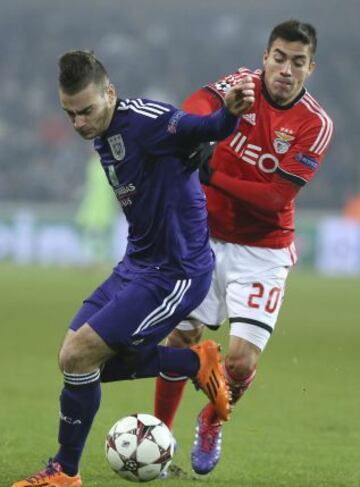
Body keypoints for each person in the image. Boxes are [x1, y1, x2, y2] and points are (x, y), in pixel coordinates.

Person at [11, 50, 256, 487]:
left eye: (86, 110)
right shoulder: (103, 134)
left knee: (78, 356)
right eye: (70, 115)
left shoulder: (147, 120)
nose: (79, 124)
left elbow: (202, 128)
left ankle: (65, 471)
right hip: (137, 265)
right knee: (76, 364)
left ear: (110, 93)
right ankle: (192, 362)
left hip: (176, 273)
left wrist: (230, 114)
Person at [154, 19, 334, 475]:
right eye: (279, 58)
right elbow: (199, 101)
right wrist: (195, 127)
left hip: (263, 249)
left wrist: (211, 172)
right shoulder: (242, 86)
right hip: (205, 237)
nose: (285, 70)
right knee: (182, 339)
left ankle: (212, 418)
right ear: (265, 57)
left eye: (297, 62)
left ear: (310, 68)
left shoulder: (314, 124)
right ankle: (156, 437)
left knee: (238, 361)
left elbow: (277, 197)